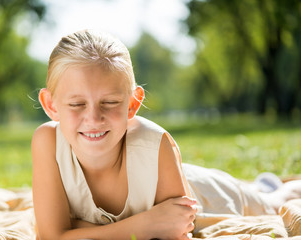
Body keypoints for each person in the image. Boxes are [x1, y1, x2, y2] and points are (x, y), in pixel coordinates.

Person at [31, 29, 301, 240]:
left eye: (110, 102)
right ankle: (263, 185)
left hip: (205, 195)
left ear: (133, 104)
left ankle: (271, 189)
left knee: (272, 203)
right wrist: (145, 224)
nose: (93, 118)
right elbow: (52, 236)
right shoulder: (47, 142)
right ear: (51, 105)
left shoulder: (154, 143)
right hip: (163, 186)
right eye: (77, 104)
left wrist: (77, 229)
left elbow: (178, 229)